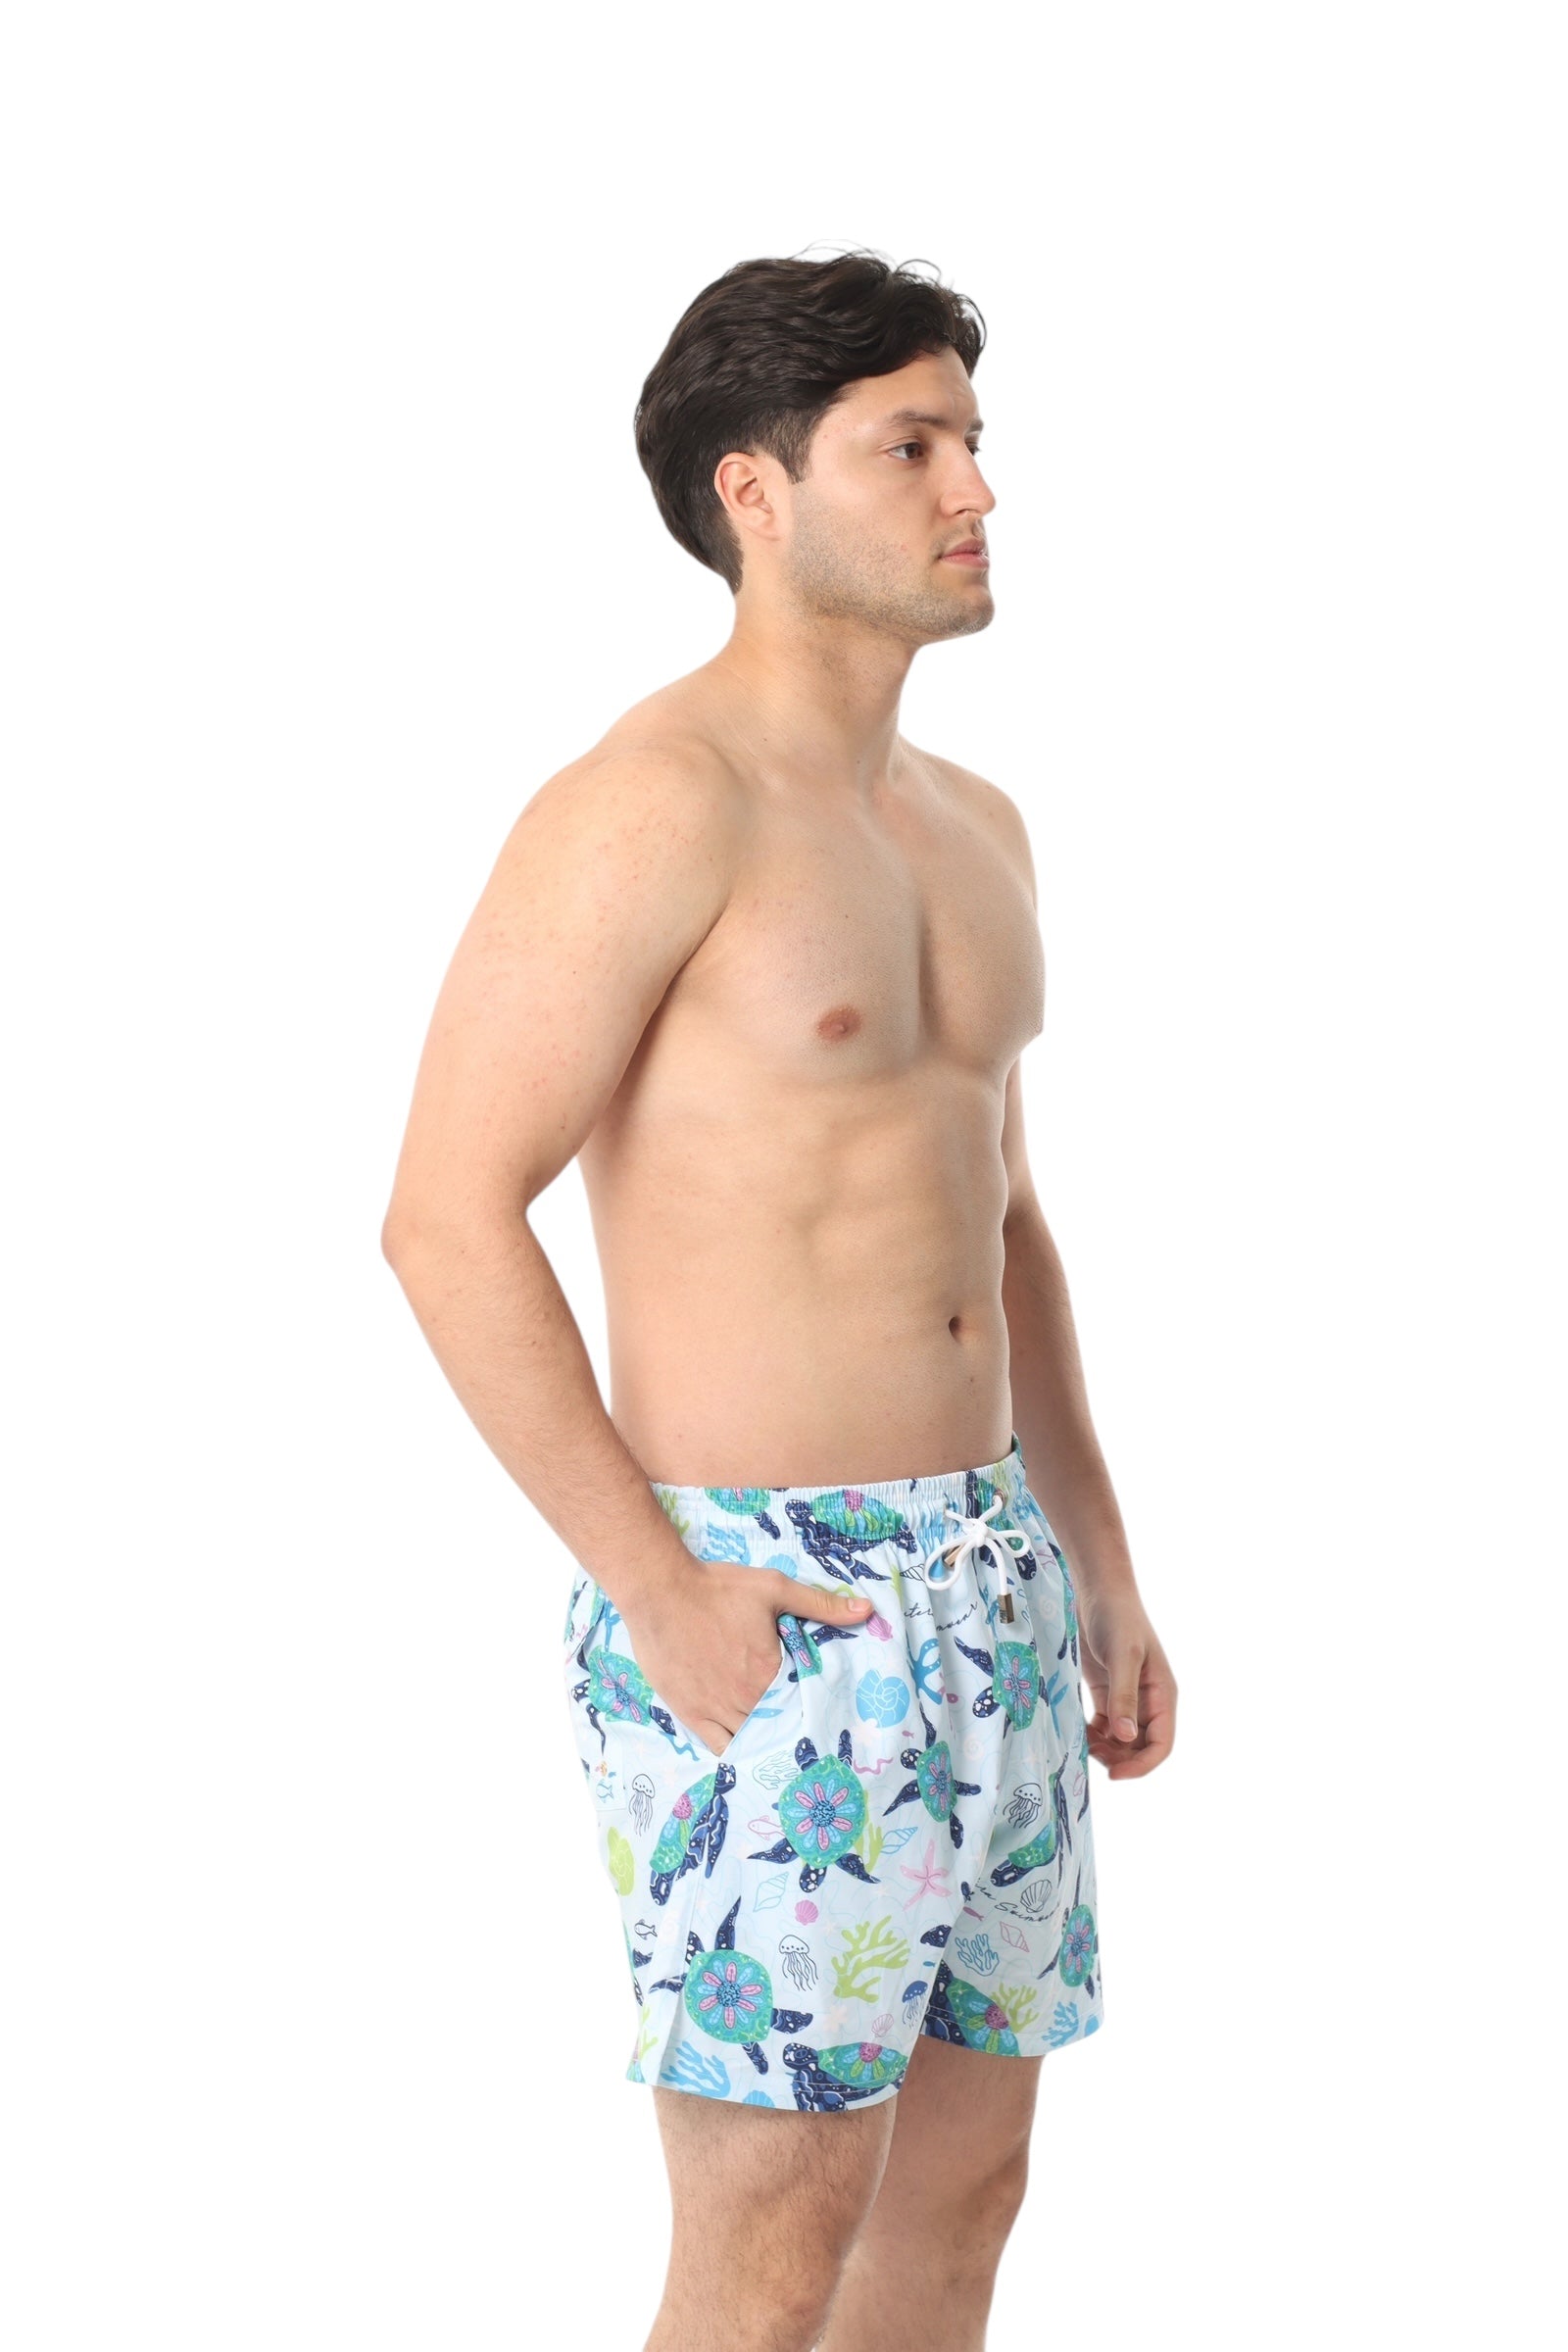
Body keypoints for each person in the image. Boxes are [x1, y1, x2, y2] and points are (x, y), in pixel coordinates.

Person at [382, 248, 1177, 2352]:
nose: (974, 489)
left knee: (966, 2193)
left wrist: (1094, 1558)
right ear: (754, 492)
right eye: (911, 448)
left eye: (972, 441)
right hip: (769, 1600)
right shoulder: (652, 807)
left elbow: (1003, 1220)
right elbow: (446, 1215)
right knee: (770, 2231)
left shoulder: (973, 826)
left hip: (992, 1572)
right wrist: (653, 1586)